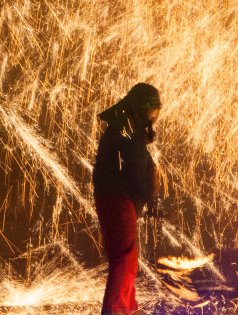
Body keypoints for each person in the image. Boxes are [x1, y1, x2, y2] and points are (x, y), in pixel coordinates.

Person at [92, 83, 163, 315]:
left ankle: (128, 307)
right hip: (118, 199)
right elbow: (134, 168)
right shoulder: (128, 129)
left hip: (114, 197)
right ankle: (117, 309)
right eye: (153, 111)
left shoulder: (123, 126)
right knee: (125, 259)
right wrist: (148, 198)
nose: (154, 118)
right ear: (145, 108)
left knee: (126, 257)